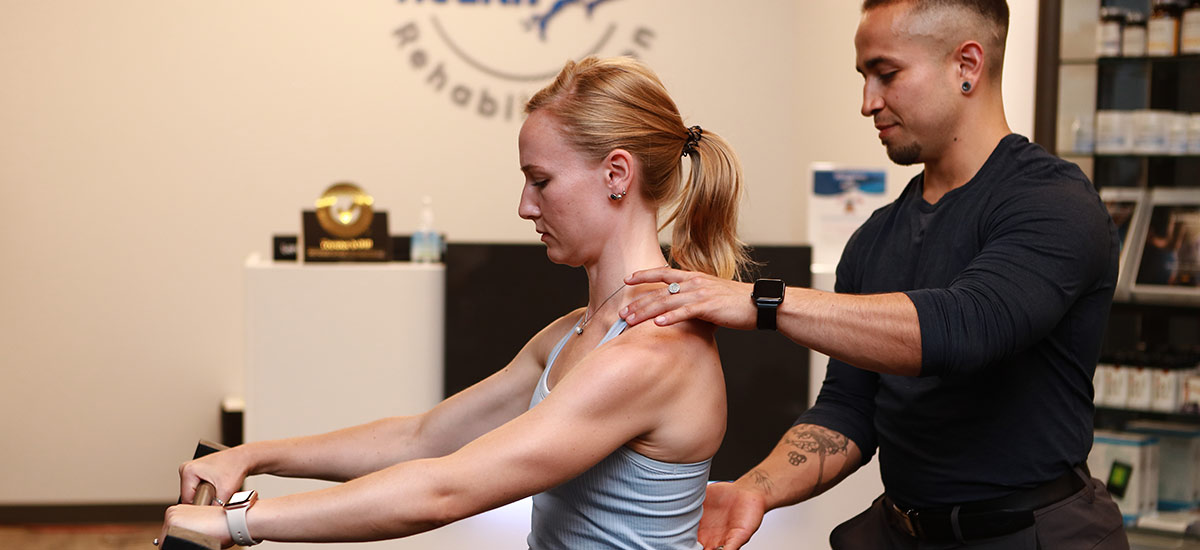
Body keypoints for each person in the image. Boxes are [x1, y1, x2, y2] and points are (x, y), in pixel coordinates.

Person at [157, 55, 749, 549]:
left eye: (540, 181)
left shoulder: (653, 353)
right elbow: (420, 439)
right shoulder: (574, 333)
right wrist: (252, 455)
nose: (524, 206)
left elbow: (444, 490)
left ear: (617, 173)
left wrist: (238, 522)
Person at [620, 1, 1128, 548]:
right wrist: (755, 490)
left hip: (1035, 533)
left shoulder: (1054, 203)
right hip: (901, 530)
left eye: (887, 74)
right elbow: (850, 407)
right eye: (864, 77)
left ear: (968, 65)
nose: (868, 103)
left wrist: (762, 302)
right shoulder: (876, 237)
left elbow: (966, 327)